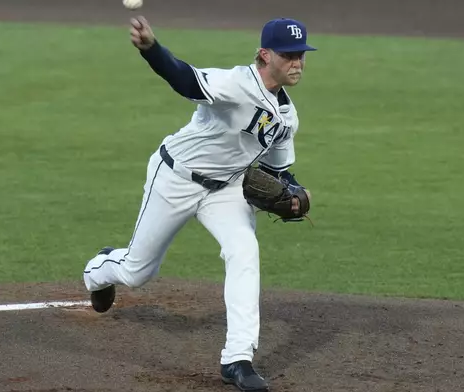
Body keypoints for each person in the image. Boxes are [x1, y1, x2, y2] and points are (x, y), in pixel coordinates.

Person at [82, 14, 316, 392]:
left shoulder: (287, 117)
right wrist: (151, 50)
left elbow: (280, 172)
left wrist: (294, 196)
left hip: (226, 190)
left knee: (244, 251)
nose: (297, 62)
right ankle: (98, 270)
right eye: (289, 54)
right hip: (175, 177)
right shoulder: (236, 83)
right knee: (137, 272)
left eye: (301, 54)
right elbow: (183, 77)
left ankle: (237, 359)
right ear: (264, 54)